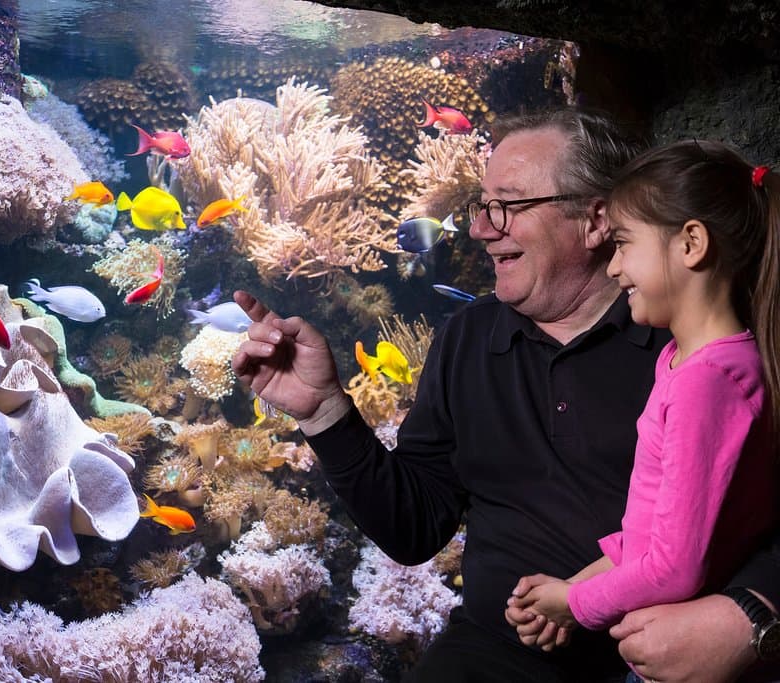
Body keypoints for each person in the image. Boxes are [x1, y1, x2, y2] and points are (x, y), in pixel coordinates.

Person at [231, 108, 780, 682]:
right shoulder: (466, 338)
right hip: (501, 652)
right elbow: (412, 527)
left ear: (594, 221)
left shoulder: (703, 346)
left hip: (680, 654)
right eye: (480, 206)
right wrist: (325, 413)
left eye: (508, 206)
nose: (479, 229)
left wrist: (750, 618)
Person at [505, 139, 780, 678]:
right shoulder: (682, 360)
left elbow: (675, 568)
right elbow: (651, 528)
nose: (613, 268)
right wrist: (574, 589)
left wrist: (575, 603)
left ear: (691, 244)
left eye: (625, 243)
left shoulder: (710, 382)